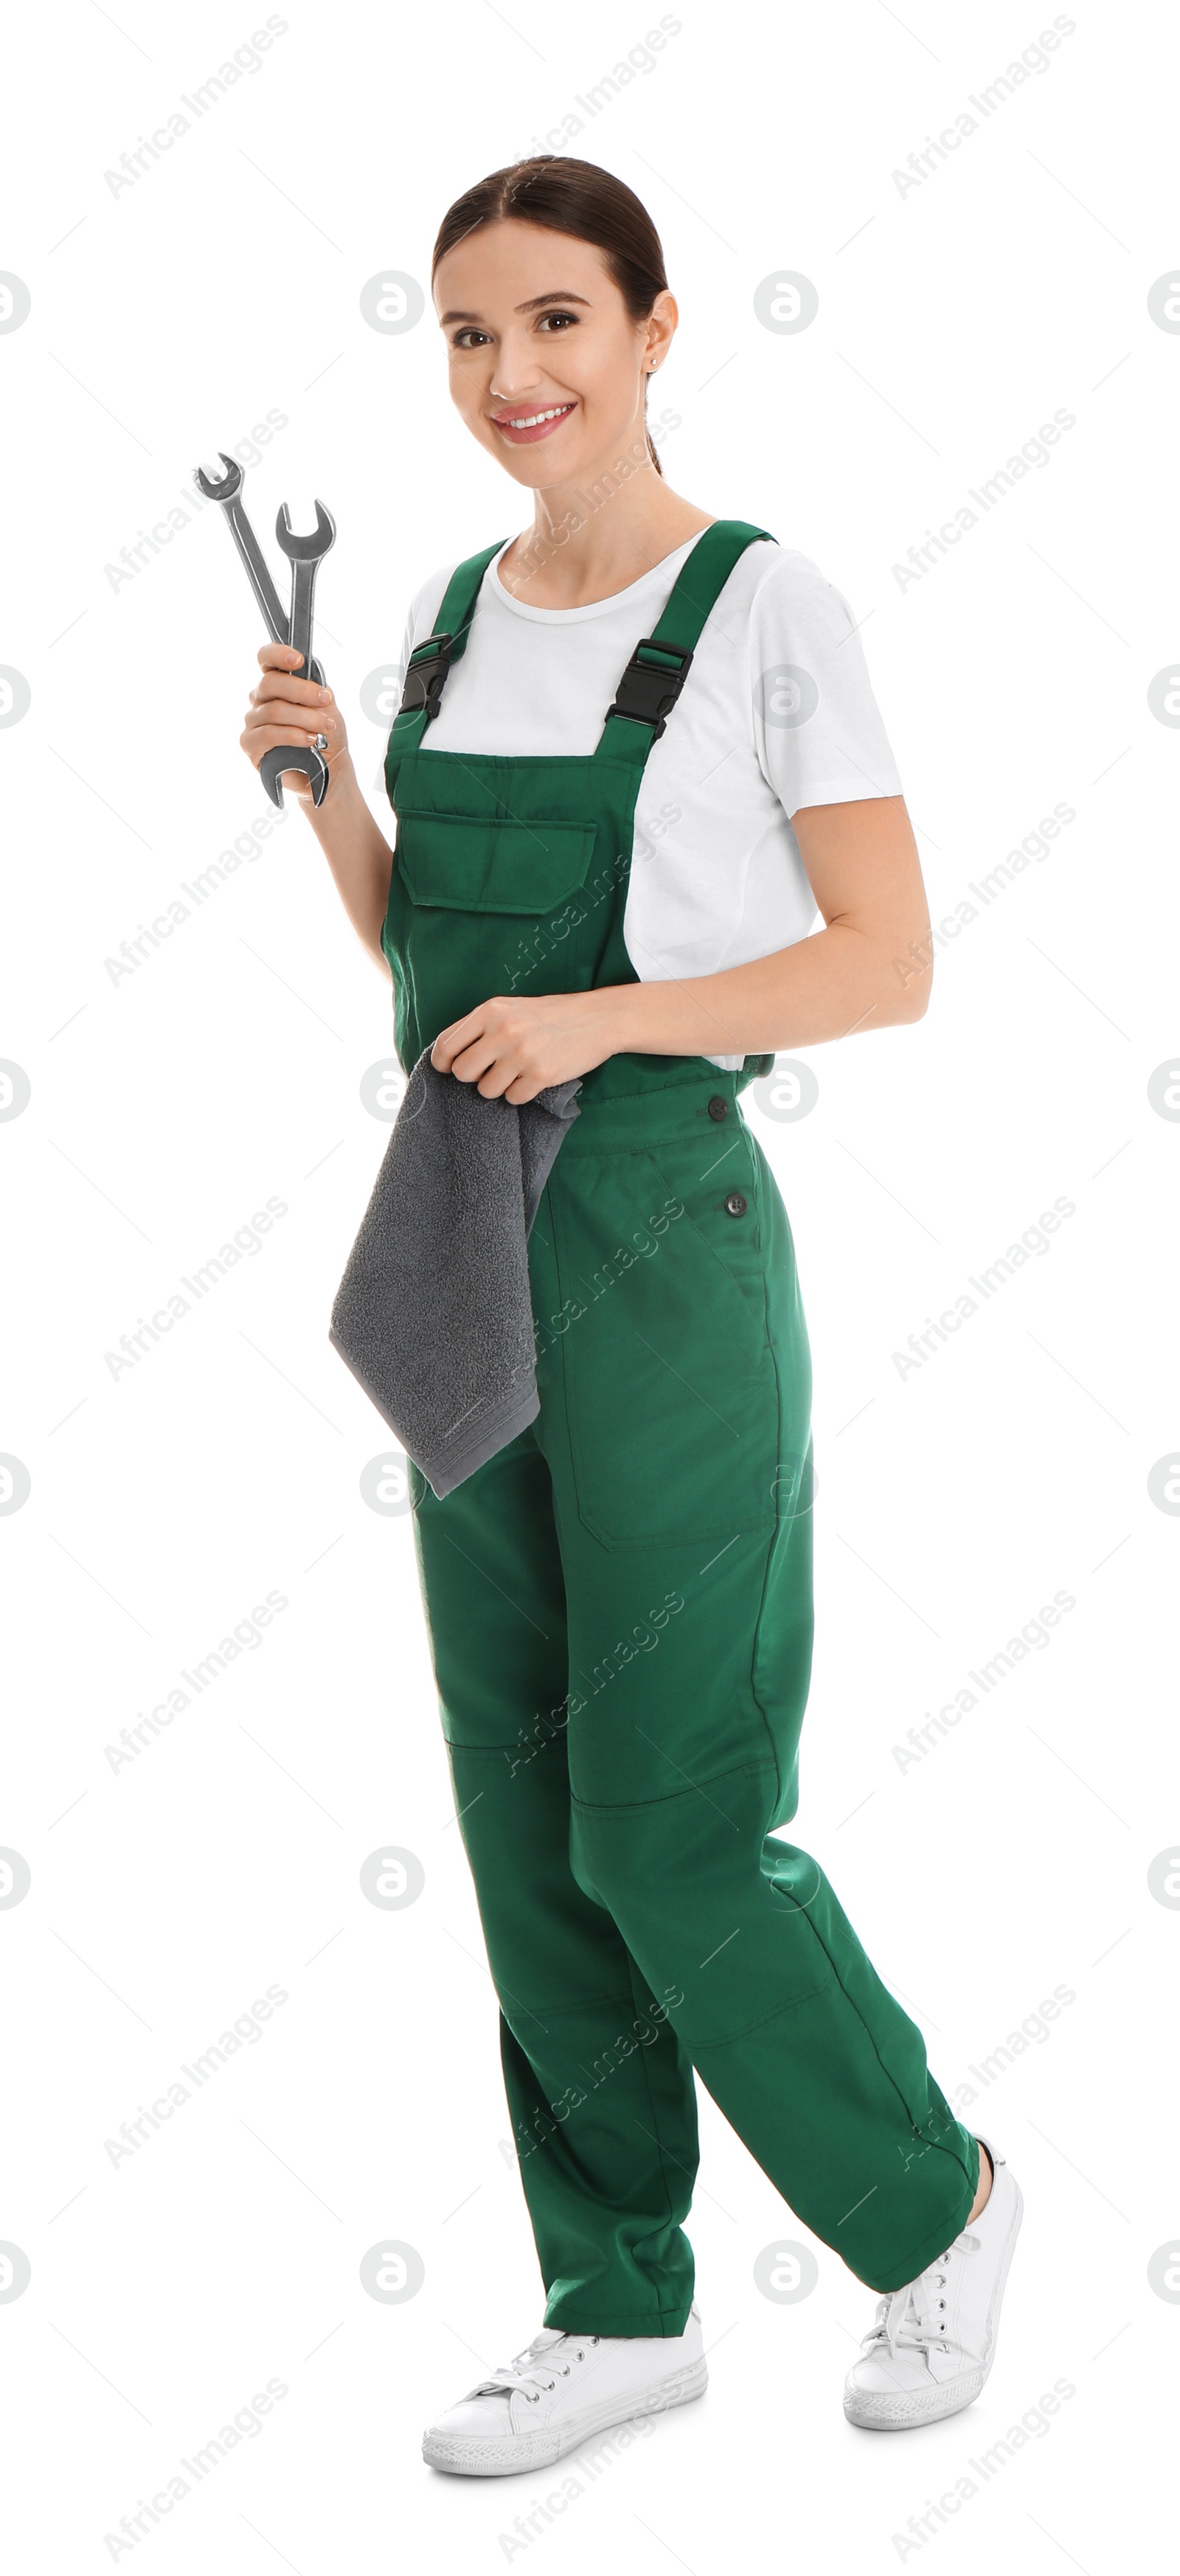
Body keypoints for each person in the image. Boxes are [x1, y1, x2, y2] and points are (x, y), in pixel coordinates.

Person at [240, 154, 1023, 2477]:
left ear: (659, 331)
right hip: (459, 1217)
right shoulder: (450, 611)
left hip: (663, 1225)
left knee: (667, 1813)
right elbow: (431, 986)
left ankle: (935, 2200)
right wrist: (325, 805)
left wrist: (606, 1021)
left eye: (561, 323)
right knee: (518, 1803)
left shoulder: (771, 607)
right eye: (471, 337)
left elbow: (884, 962)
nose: (514, 379)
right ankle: (616, 2296)